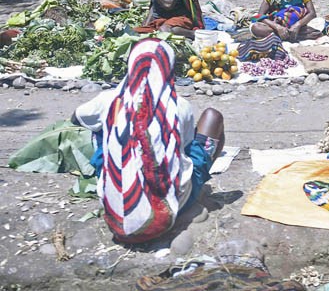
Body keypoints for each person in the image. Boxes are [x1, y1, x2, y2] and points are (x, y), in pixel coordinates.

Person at [71, 38, 225, 244]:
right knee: (212, 117)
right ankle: (192, 194)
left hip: (116, 217)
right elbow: (186, 149)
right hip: (166, 214)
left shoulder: (109, 100)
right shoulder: (179, 107)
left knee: (101, 130)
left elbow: (76, 118)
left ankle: (123, 187)